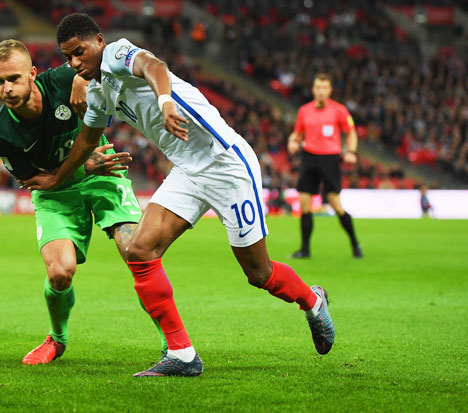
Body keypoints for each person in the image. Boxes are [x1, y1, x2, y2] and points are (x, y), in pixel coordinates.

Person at [21, 13, 336, 377]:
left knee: (258, 273)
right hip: (187, 170)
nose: (76, 63)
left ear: (99, 42)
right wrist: (57, 178)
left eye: (80, 52)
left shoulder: (118, 53)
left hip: (226, 163)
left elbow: (154, 65)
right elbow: (87, 141)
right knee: (140, 250)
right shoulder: (97, 92)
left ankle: (313, 302)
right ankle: (182, 354)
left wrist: (167, 102)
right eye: (68, 57)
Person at [0, 39, 167, 365]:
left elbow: (91, 70)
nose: (7, 89)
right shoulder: (1, 133)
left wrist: (86, 82)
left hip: (104, 175)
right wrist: (82, 165)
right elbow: (37, 181)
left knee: (137, 255)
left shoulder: (61, 80)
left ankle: (174, 345)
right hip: (59, 192)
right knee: (60, 272)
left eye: (13, 78)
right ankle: (57, 339)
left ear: (32, 73)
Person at [287, 73, 362, 258]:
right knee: (304, 203)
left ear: (330, 90)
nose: (321, 91)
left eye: (324, 88)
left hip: (330, 159)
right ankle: (305, 250)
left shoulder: (339, 110)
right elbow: (297, 134)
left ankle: (355, 244)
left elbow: (351, 133)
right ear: (313, 89)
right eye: (318, 87)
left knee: (336, 204)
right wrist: (292, 142)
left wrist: (351, 152)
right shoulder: (304, 110)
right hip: (309, 158)